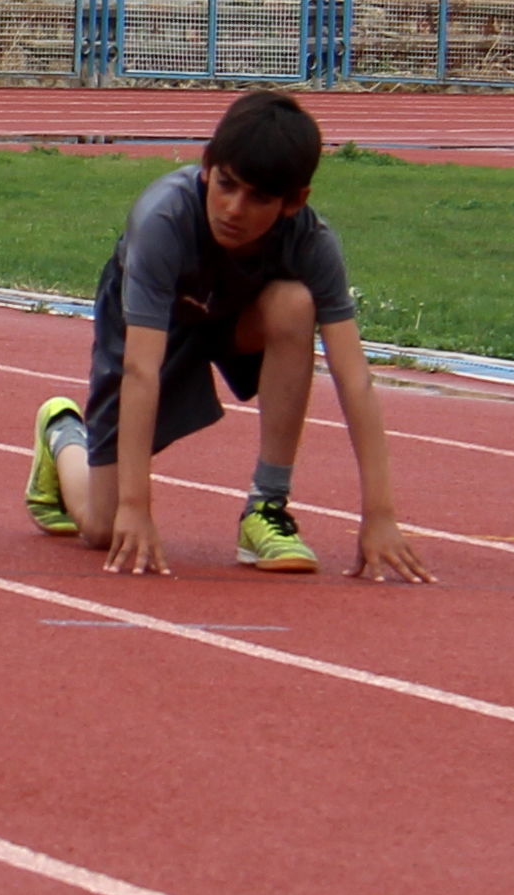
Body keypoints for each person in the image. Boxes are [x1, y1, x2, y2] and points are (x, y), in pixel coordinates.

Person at [24, 88, 431, 582]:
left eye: (258, 198)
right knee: (104, 529)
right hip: (160, 328)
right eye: (226, 185)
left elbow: (354, 377)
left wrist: (380, 514)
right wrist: (136, 505)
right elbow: (140, 370)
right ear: (206, 166)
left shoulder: (311, 240)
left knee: (294, 304)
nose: (234, 209)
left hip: (237, 320)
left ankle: (267, 506)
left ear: (293, 201)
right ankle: (64, 433)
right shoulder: (162, 221)